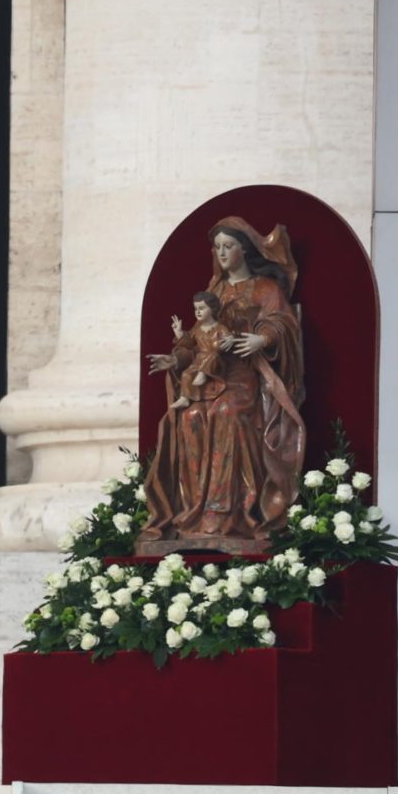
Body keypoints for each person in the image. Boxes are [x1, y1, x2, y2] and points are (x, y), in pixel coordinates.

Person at [140, 218, 305, 550]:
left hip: (246, 377)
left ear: (244, 249)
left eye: (228, 246)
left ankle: (227, 514)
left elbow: (284, 323)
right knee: (189, 417)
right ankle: (195, 513)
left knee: (226, 413)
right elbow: (198, 340)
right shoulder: (213, 291)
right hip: (211, 377)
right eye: (217, 247)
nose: (222, 253)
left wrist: (262, 339)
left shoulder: (264, 288)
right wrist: (176, 360)